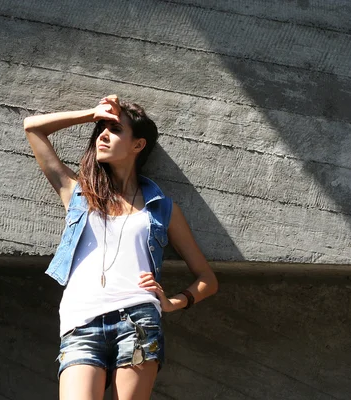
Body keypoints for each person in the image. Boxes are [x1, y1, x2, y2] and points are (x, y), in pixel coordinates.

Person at [23, 95, 218, 400]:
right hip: (80, 322)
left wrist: (173, 302)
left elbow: (207, 279)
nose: (102, 135)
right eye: (100, 128)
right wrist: (91, 113)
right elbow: (32, 128)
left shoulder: (161, 209)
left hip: (138, 320)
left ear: (138, 145)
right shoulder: (77, 193)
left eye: (114, 130)